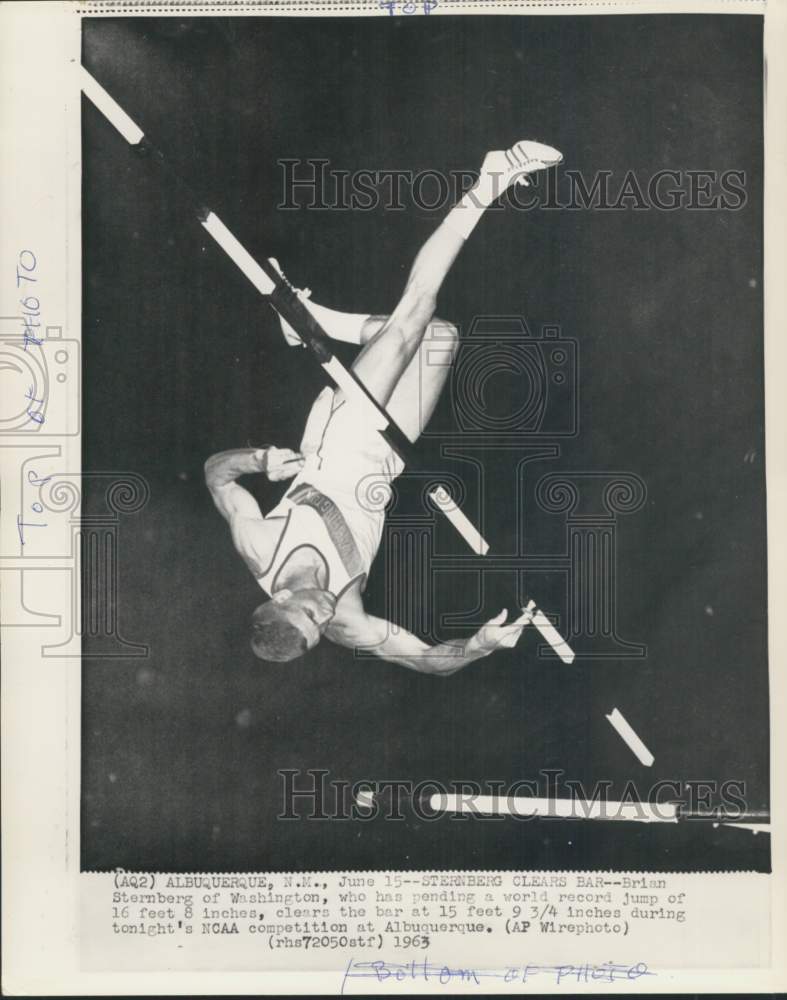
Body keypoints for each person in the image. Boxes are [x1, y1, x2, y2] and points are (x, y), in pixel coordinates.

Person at [205, 140, 562, 672]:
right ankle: (308, 320)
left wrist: (259, 460)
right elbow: (425, 660)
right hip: (387, 458)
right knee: (439, 337)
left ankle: (492, 177)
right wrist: (478, 646)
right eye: (321, 628)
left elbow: (215, 477)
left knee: (415, 310)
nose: (326, 612)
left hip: (342, 438)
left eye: (311, 612)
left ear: (281, 597)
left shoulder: (259, 546)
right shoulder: (347, 622)